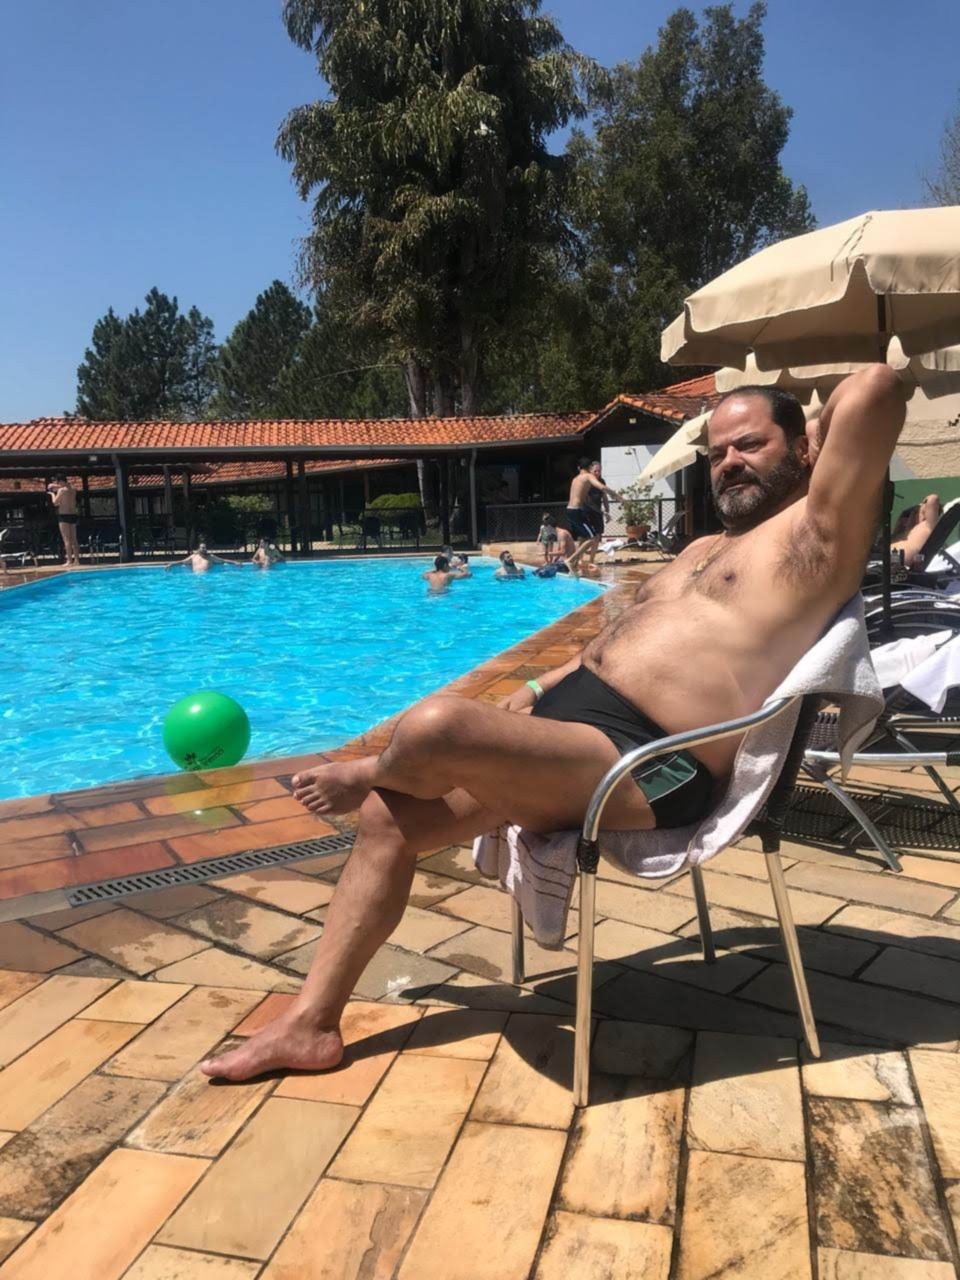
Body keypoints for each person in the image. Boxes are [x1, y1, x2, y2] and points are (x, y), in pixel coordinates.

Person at [201, 366, 905, 1082]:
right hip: (573, 734)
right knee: (389, 819)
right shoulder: (702, 549)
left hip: (652, 761)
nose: (728, 462)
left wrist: (810, 421)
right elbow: (617, 641)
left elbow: (875, 387)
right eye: (717, 451)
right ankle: (310, 1024)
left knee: (436, 726)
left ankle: (370, 770)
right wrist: (538, 685)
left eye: (750, 444)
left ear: (806, 447)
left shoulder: (819, 535)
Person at [566, 458, 619, 571]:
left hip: (576, 511)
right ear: (590, 468)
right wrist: (618, 497)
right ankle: (572, 560)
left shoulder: (577, 478)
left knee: (594, 536)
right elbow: (601, 489)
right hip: (582, 511)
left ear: (579, 468)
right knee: (590, 538)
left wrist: (606, 510)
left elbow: (603, 495)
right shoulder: (588, 477)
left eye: (599, 470)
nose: (597, 473)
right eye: (595, 470)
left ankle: (580, 562)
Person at [891, 493, 941, 568]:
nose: (923, 516)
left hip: (898, 561)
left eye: (925, 513)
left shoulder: (929, 526)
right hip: (892, 560)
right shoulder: (914, 530)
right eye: (921, 513)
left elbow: (933, 498)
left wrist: (923, 504)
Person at [47, 475, 79, 567]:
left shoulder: (61, 491)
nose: (57, 484)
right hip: (73, 515)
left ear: (60, 481)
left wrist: (52, 494)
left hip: (64, 516)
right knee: (74, 539)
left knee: (66, 539)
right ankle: (77, 560)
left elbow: (55, 503)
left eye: (58, 482)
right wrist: (55, 485)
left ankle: (69, 561)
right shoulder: (73, 490)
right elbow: (68, 486)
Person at [165, 542, 240, 574]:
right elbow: (182, 562)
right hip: (195, 577)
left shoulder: (211, 557)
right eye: (203, 548)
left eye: (205, 548)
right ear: (199, 548)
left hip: (207, 577)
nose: (204, 549)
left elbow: (223, 560)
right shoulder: (193, 557)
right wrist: (171, 564)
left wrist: (235, 562)